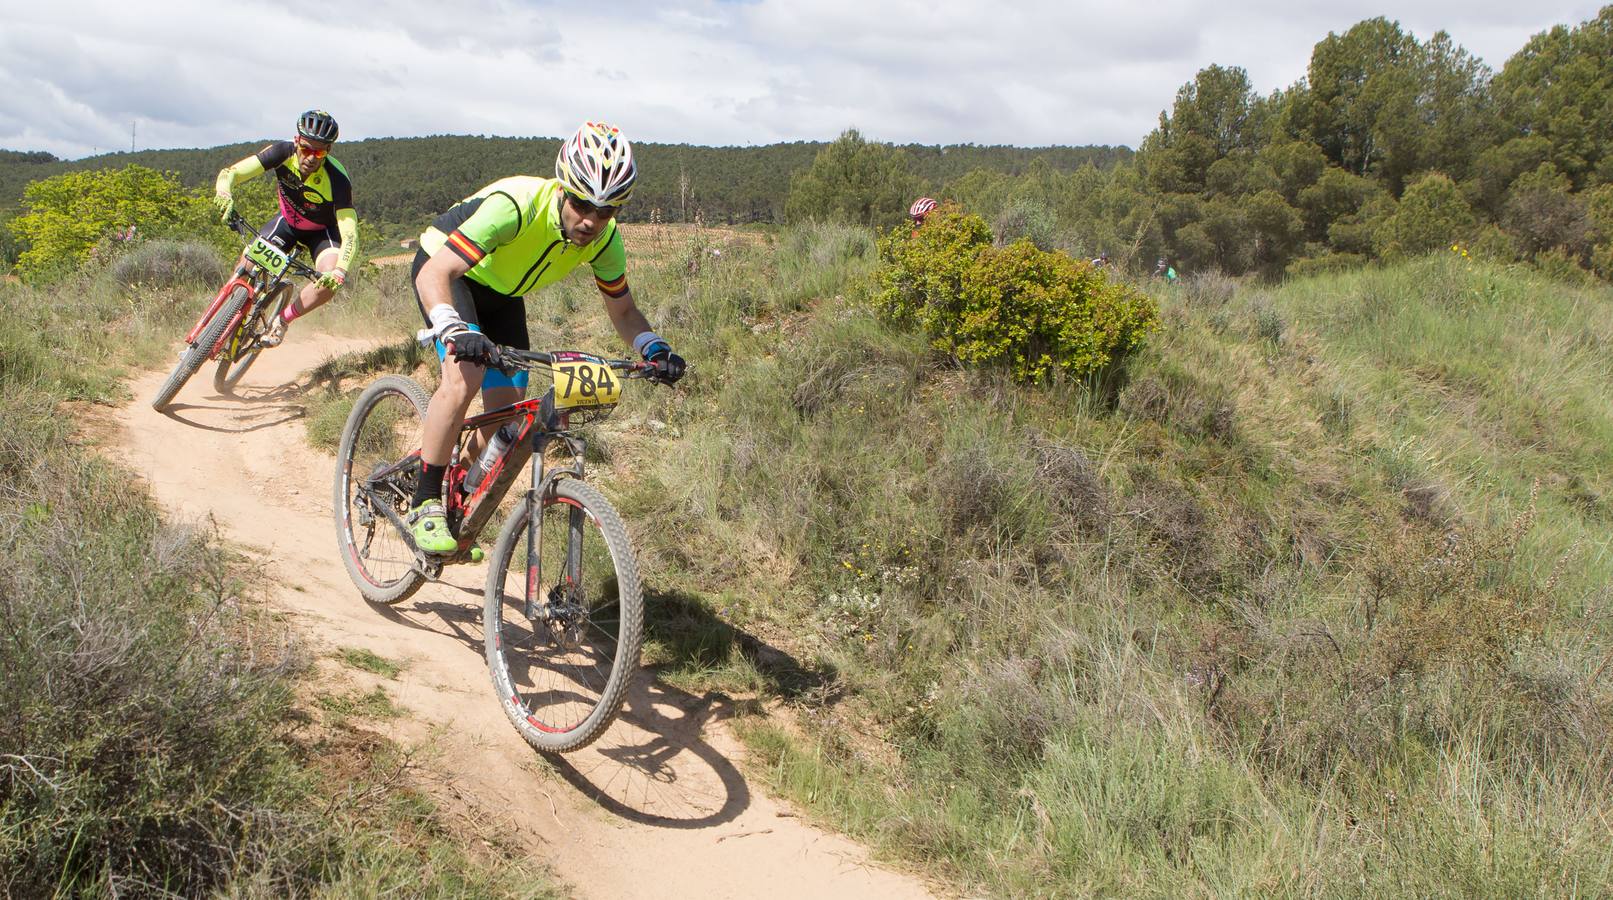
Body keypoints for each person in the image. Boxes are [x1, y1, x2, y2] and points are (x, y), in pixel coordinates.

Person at [406, 121, 685, 553]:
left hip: (504, 294)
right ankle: (424, 501)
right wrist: (452, 326)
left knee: (507, 410)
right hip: (449, 270)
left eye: (606, 211)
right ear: (562, 189)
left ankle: (451, 490)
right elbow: (436, 273)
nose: (591, 221)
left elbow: (624, 310)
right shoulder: (515, 206)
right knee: (464, 378)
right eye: (582, 204)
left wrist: (654, 348)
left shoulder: (605, 241)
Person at [212, 109, 358, 347]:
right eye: (306, 148)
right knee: (247, 263)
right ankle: (222, 316)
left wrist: (340, 270)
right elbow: (232, 173)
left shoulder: (338, 179)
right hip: (288, 223)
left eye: (319, 151)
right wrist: (224, 193)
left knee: (328, 283)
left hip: (323, 234)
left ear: (328, 150)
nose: (311, 157)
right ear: (296, 140)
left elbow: (350, 231)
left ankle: (282, 320)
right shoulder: (281, 152)